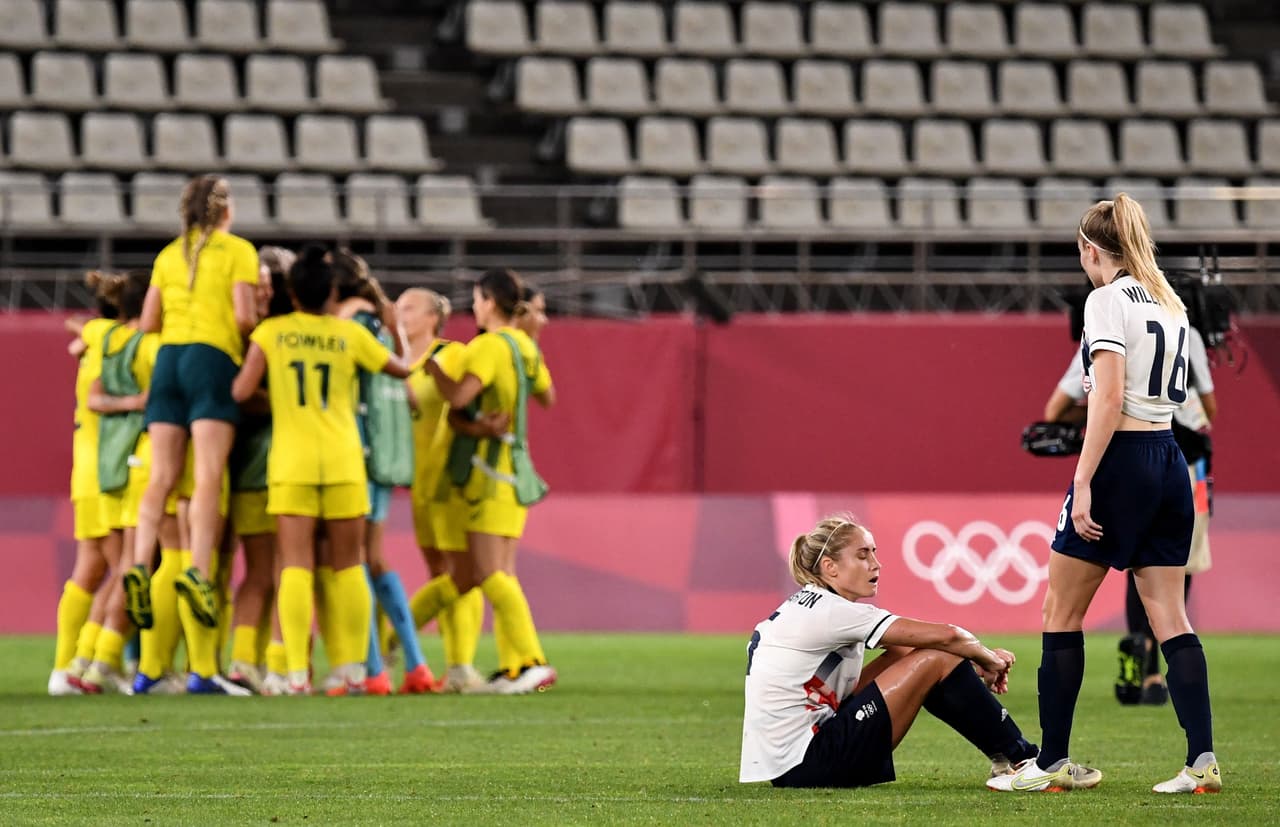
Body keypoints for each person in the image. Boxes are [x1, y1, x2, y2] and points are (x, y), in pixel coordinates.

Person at [989, 193, 1221, 795]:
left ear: (1092, 250)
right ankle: (1202, 760)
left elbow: (1109, 398)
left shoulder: (1105, 301)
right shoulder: (1171, 302)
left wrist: (1085, 479)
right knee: (1171, 615)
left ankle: (1051, 762)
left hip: (1122, 458)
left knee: (1060, 611)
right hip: (1172, 457)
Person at [740, 515, 1051, 789]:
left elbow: (913, 649)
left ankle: (1004, 756)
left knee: (932, 656)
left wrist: (968, 660)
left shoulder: (809, 604)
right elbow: (950, 635)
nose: (876, 564)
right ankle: (1026, 758)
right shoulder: (832, 612)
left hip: (791, 762)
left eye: (874, 553)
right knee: (939, 655)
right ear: (829, 567)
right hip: (811, 761)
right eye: (863, 555)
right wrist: (988, 659)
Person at [231, 247, 411, 695]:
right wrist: (395, 329)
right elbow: (403, 370)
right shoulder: (350, 335)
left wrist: (287, 402)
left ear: (291, 292)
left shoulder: (272, 332)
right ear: (332, 292)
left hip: (291, 462)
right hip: (345, 461)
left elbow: (240, 391)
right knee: (350, 567)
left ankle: (293, 673)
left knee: (294, 567)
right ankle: (352, 669)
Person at [124, 175, 258, 694]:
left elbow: (148, 321)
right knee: (206, 475)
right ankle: (197, 572)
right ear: (225, 210)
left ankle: (139, 563)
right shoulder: (238, 251)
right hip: (210, 359)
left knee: (161, 476)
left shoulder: (167, 253)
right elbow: (245, 316)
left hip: (169, 361)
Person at [1044, 324, 1219, 706]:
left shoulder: (1107, 320)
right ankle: (1169, 695)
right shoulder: (1185, 328)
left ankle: (1138, 655)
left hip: (1124, 460)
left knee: (1082, 596)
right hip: (1184, 466)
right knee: (1176, 582)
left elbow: (1057, 407)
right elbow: (1210, 408)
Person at [418, 268, 557, 693]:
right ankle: (516, 665)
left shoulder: (489, 346)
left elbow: (458, 396)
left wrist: (433, 368)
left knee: (488, 572)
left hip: (487, 475)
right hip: (515, 472)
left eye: (477, 299)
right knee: (498, 573)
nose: (474, 307)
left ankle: (531, 661)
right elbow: (547, 397)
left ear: (490, 302)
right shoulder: (524, 346)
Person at [331, 250, 436, 695]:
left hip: (359, 451)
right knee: (374, 559)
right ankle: (414, 665)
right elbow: (408, 393)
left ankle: (373, 670)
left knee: (353, 561)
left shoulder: (352, 326)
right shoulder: (385, 326)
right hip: (387, 453)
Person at [49, 273, 126, 695]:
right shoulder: (116, 340)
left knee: (92, 567)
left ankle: (69, 667)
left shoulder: (98, 335)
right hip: (106, 468)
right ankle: (89, 661)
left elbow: (76, 331)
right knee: (124, 567)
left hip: (88, 466)